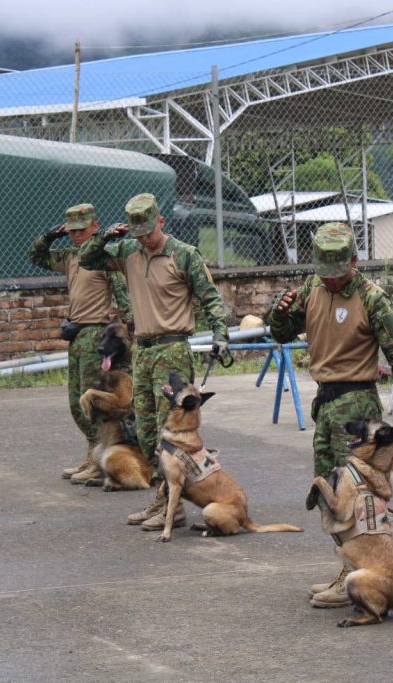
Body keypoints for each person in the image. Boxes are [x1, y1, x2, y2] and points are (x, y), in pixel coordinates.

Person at [265, 222, 393, 609]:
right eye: (325, 273)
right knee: (328, 496)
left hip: (358, 405)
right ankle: (347, 569)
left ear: (354, 261)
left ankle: (361, 575)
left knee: (359, 502)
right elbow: (282, 333)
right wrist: (279, 313)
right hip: (326, 401)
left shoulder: (372, 299)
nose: (332, 281)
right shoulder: (312, 289)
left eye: (339, 273)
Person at [79, 192, 230, 531]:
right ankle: (164, 498)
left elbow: (211, 299)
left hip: (172, 349)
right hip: (143, 350)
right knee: (146, 431)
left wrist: (221, 334)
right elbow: (87, 259)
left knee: (171, 435)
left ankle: (173, 507)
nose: (145, 239)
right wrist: (104, 237)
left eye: (149, 231)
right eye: (138, 234)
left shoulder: (184, 255)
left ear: (161, 221)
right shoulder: (129, 251)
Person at [29, 203, 131, 482]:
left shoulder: (104, 258)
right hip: (76, 334)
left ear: (95, 227)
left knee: (93, 400)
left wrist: (129, 329)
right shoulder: (70, 256)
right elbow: (36, 256)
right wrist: (50, 236)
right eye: (71, 230)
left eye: (81, 230)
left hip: (95, 334)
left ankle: (97, 461)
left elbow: (123, 296)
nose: (75, 235)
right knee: (76, 401)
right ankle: (92, 453)